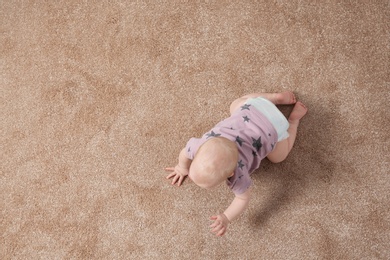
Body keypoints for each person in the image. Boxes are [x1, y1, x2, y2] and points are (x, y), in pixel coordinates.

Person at [165, 91, 308, 236]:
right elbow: (184, 153)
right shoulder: (198, 145)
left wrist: (227, 217)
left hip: (274, 127)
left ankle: (292, 122)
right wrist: (182, 167)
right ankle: (273, 99)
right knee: (235, 105)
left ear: (231, 173)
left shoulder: (239, 176)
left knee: (279, 157)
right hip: (254, 107)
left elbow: (243, 198)